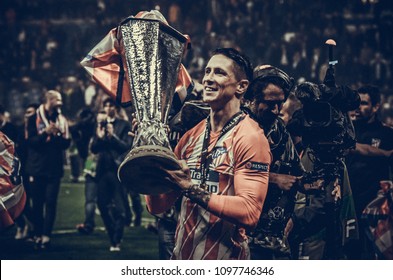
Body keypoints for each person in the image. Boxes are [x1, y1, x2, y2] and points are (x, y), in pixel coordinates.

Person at [145, 48, 272, 260]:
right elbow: (157, 205)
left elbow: (250, 212)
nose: (208, 79)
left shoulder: (250, 137)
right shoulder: (190, 137)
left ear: (241, 87)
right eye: (207, 71)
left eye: (219, 73)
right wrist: (150, 155)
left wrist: (190, 188)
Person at [243, 65, 304, 259]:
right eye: (270, 104)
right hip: (241, 237)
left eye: (280, 103)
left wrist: (307, 183)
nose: (276, 110)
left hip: (274, 238)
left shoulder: (278, 129)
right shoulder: (236, 125)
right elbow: (224, 169)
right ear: (251, 98)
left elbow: (295, 171)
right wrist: (272, 178)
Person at [345, 85, 393, 259]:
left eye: (364, 103)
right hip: (349, 199)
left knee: (376, 252)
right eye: (356, 102)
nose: (358, 107)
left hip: (375, 203)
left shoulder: (387, 134)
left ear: (376, 106)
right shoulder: (348, 129)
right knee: (350, 250)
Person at [25, 90, 71, 249]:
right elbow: (31, 142)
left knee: (51, 203)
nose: (61, 102)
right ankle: (37, 233)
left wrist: (57, 134)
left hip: (54, 169)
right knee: (37, 204)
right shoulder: (32, 119)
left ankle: (46, 236)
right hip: (37, 168)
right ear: (49, 100)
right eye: (58, 99)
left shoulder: (61, 119)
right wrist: (46, 133)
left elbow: (66, 144)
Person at [90, 97, 132, 251]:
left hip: (117, 171)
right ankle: (112, 235)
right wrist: (100, 137)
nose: (108, 108)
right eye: (105, 105)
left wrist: (112, 136)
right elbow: (94, 148)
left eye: (111, 105)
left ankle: (116, 239)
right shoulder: (99, 125)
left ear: (116, 107)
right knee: (101, 205)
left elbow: (126, 146)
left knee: (120, 208)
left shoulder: (124, 125)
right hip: (102, 171)